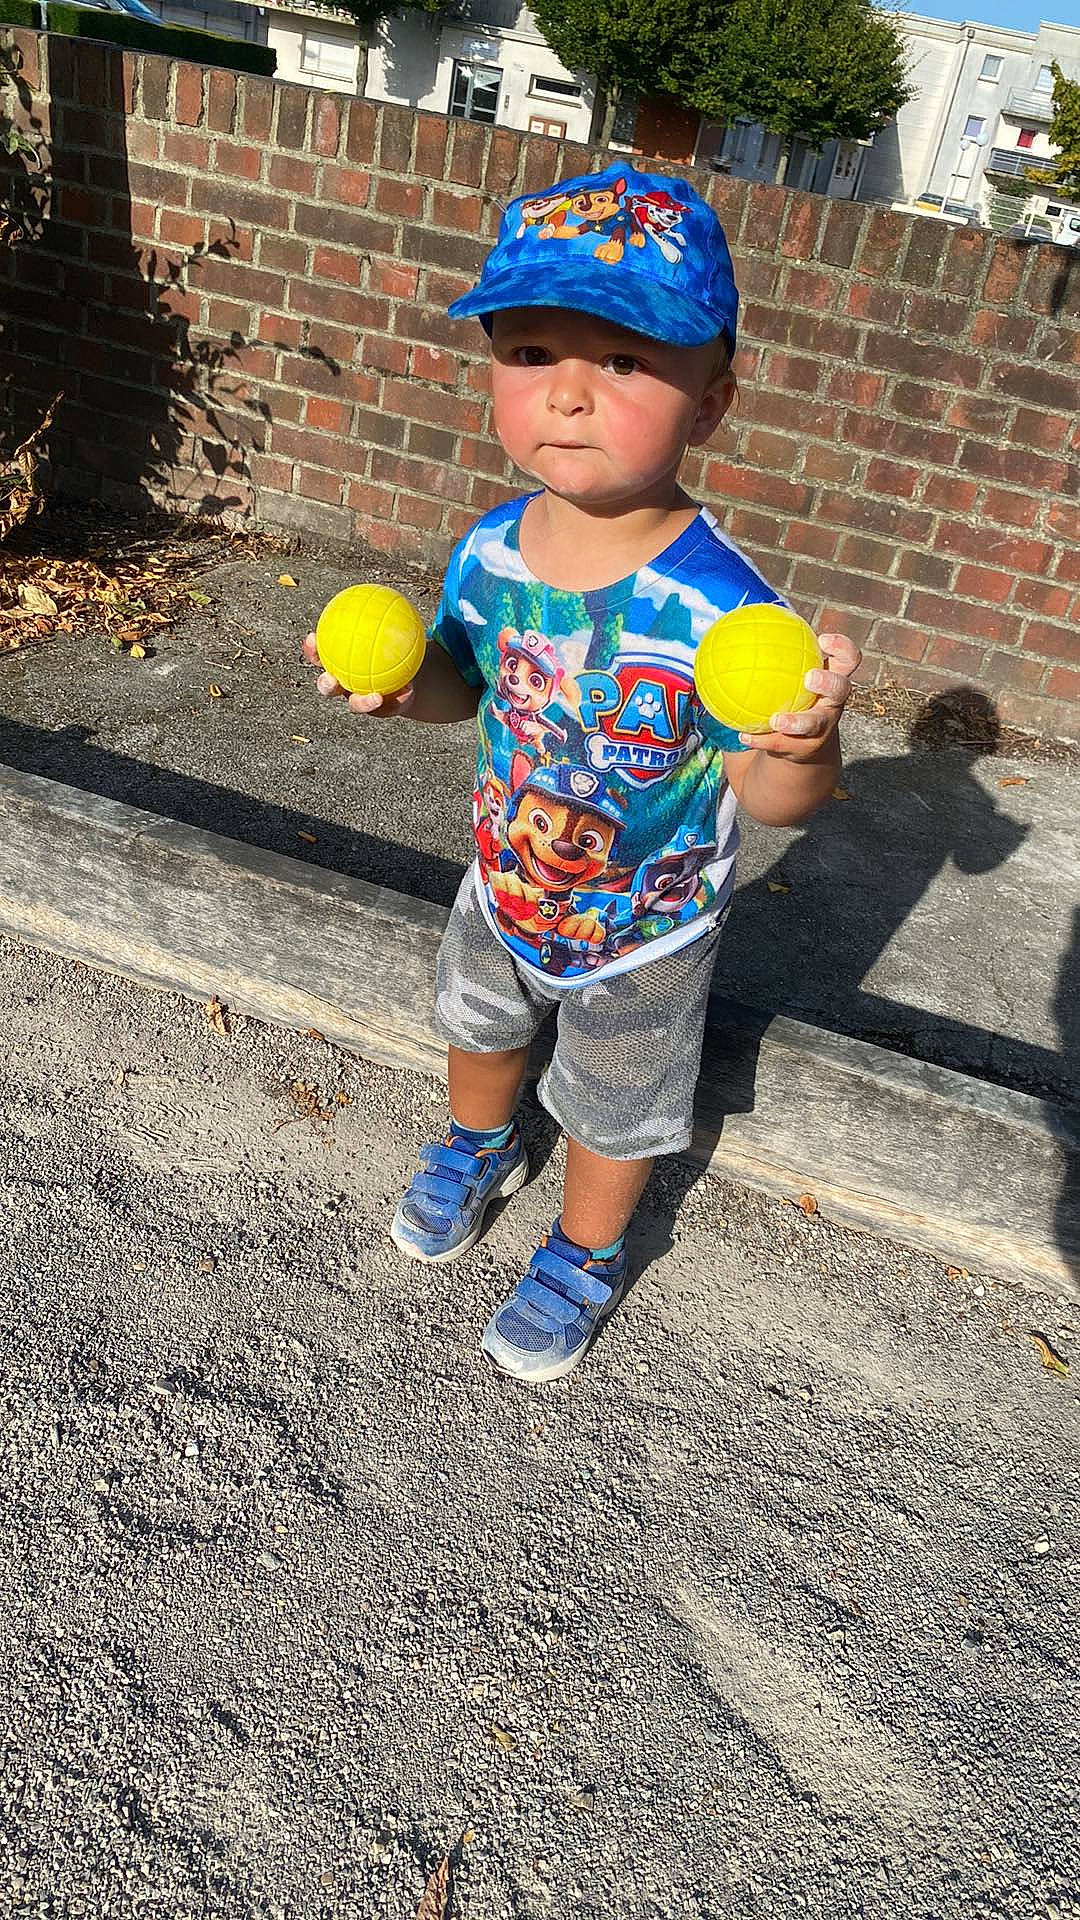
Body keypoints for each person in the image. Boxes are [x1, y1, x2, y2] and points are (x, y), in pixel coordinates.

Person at [303, 163, 861, 1383]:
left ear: (711, 403)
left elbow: (772, 806)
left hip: (644, 929)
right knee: (479, 1026)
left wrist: (801, 750)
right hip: (504, 878)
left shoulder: (726, 614)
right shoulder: (490, 554)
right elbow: (464, 687)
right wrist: (405, 693)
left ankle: (585, 1249)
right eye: (532, 350)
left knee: (614, 1111)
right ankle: (477, 1143)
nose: (567, 393)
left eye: (623, 363)